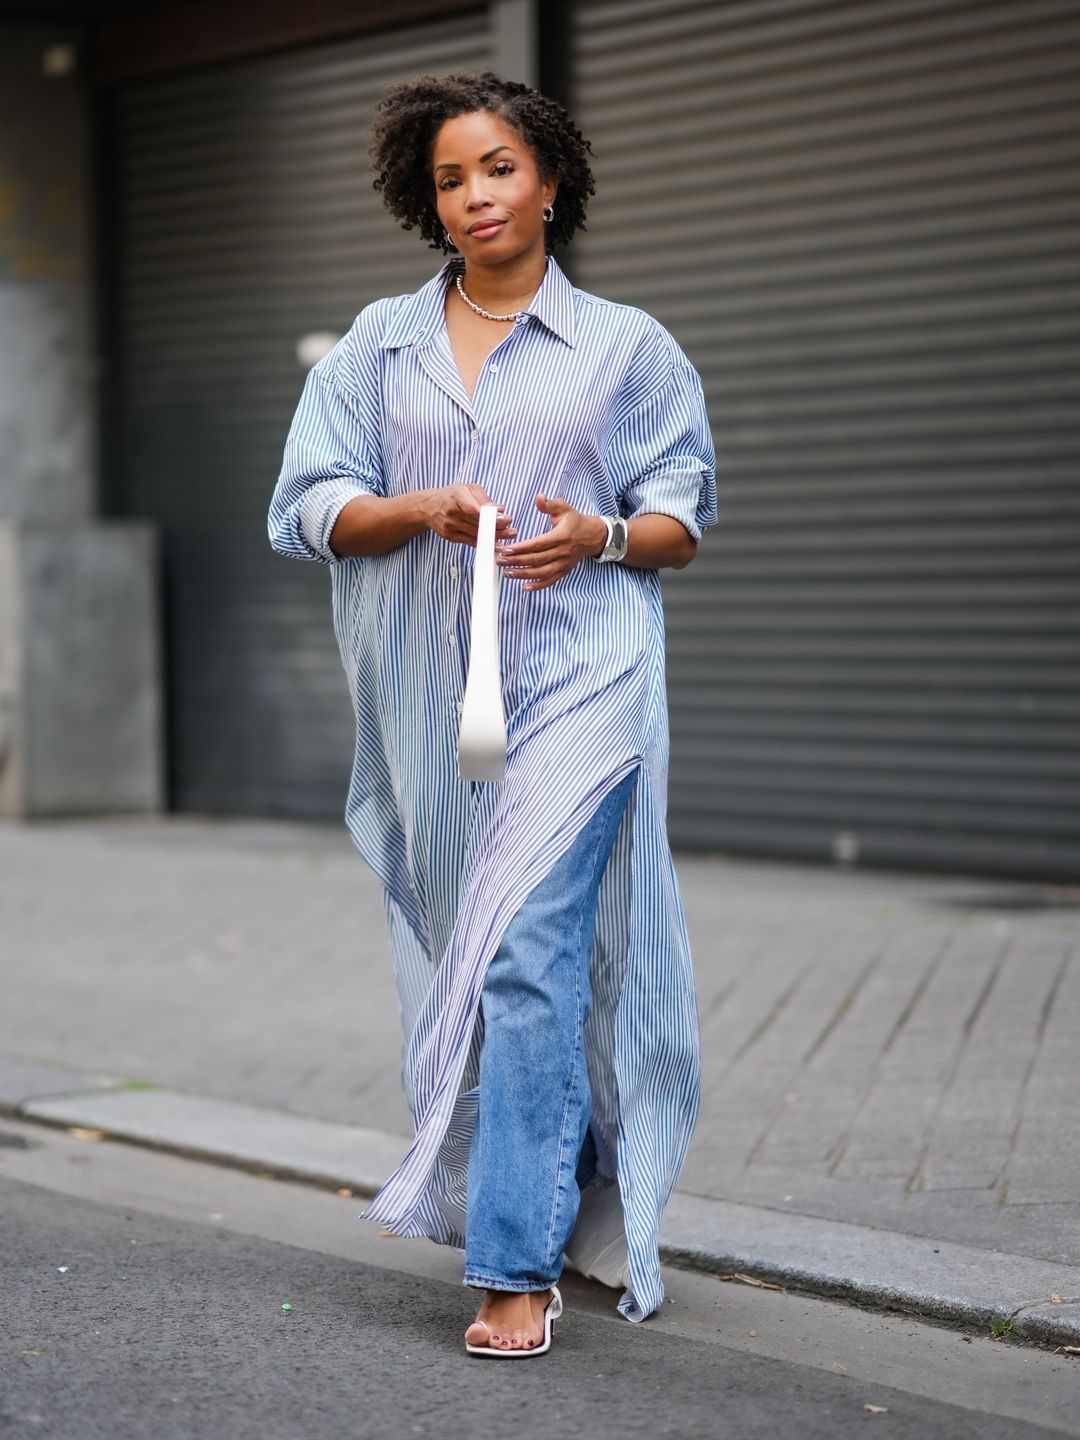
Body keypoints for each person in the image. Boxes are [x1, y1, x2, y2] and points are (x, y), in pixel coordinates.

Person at [267, 71, 716, 1357]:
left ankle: (513, 1267)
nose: (476, 195)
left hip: (586, 680)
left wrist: (603, 533)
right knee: (484, 952)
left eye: (500, 168)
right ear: (428, 196)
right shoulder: (378, 344)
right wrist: (415, 509)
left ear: (551, 180)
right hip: (429, 704)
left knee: (523, 954)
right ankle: (567, 1174)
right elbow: (305, 508)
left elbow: (683, 515)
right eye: (452, 176)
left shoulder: (629, 346)